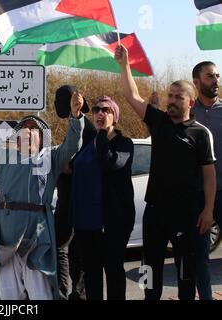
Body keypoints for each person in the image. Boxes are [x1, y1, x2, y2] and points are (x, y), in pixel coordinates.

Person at [115, 45, 217, 300]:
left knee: (186, 275)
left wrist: (208, 211)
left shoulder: (201, 134)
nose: (170, 100)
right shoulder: (158, 121)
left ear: (190, 102)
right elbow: (131, 95)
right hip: (155, 213)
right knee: (150, 268)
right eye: (169, 95)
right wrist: (124, 64)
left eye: (177, 97)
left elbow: (209, 176)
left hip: (188, 215)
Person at [0, 93, 85, 300]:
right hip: (6, 235)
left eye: (33, 128)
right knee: (9, 294)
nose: (26, 130)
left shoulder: (51, 157)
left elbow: (72, 145)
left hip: (37, 236)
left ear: (42, 137)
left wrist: (76, 115)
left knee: (40, 294)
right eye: (23, 128)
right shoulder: (5, 155)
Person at [71, 96, 135, 300]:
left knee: (113, 269)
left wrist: (100, 138)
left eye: (106, 110)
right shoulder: (89, 141)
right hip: (86, 219)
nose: (100, 113)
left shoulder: (124, 143)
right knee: (91, 272)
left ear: (114, 117)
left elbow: (111, 164)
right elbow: (73, 165)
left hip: (113, 220)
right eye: (97, 109)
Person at [53, 85, 93, 300]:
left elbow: (82, 163)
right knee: (75, 248)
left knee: (61, 246)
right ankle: (76, 293)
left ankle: (66, 292)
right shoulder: (77, 123)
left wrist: (62, 164)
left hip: (74, 200)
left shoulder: (85, 126)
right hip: (72, 199)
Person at [191, 61, 222, 300]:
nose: (216, 81)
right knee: (199, 256)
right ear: (197, 82)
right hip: (198, 197)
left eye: (217, 76)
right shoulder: (188, 114)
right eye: (210, 77)